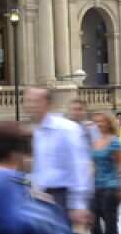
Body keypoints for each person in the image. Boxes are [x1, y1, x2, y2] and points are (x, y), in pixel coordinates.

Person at [23, 88, 92, 227]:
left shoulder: (66, 129)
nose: (30, 105)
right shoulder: (35, 131)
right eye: (27, 101)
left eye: (35, 101)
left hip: (62, 197)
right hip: (40, 197)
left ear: (47, 103)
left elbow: (79, 166)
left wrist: (78, 205)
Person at [87, 113, 121, 234]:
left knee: (110, 223)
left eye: (101, 121)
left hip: (111, 186)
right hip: (96, 186)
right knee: (93, 221)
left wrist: (120, 188)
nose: (98, 124)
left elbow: (120, 165)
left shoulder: (114, 142)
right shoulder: (96, 142)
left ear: (108, 123)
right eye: (96, 122)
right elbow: (93, 165)